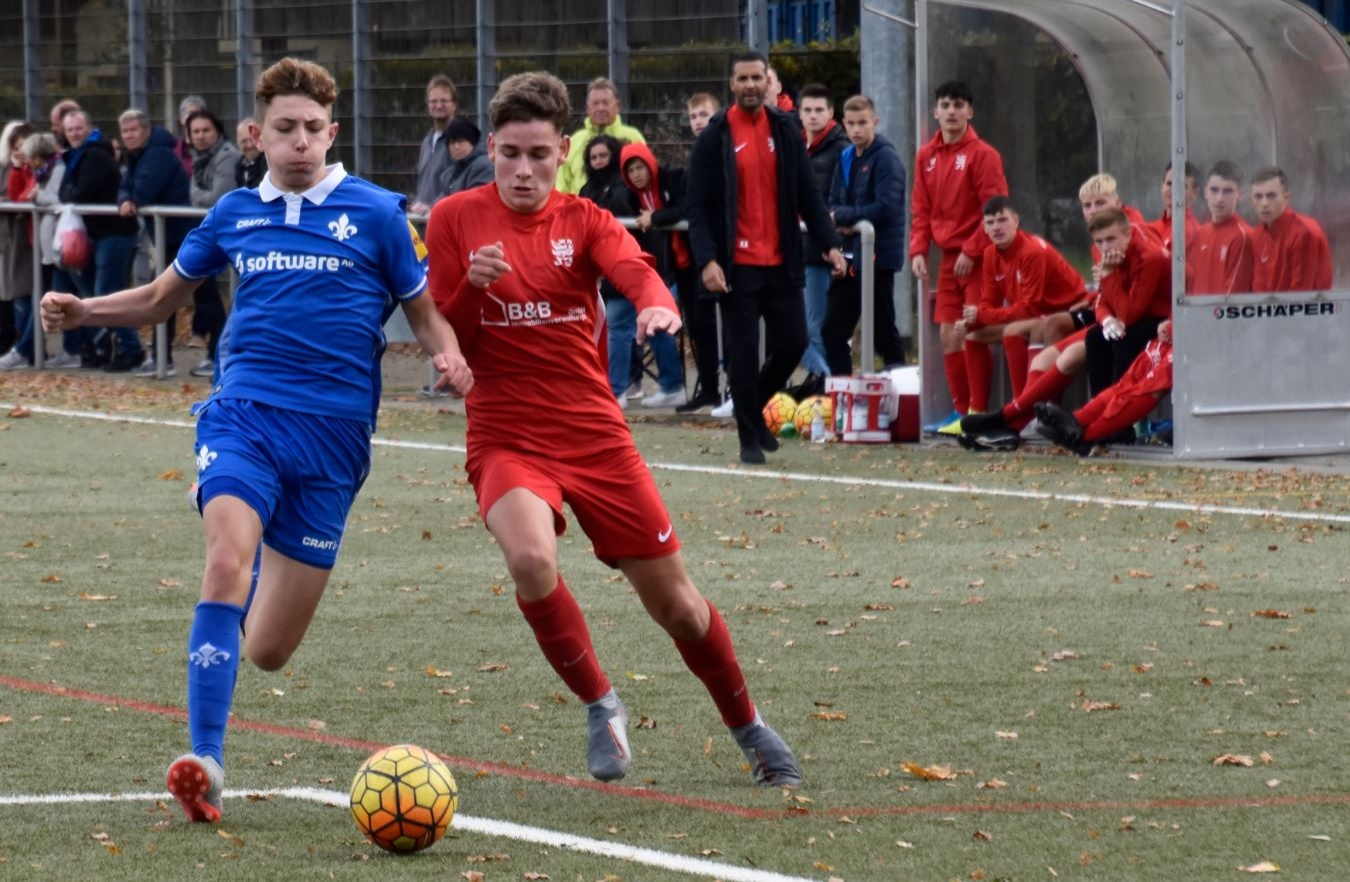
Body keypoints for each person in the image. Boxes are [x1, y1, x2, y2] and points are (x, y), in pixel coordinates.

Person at [40, 57, 473, 824]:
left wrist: (449, 354)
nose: (300, 141)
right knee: (224, 560)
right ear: (258, 134)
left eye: (312, 128)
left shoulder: (378, 213)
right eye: (285, 128)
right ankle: (206, 760)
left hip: (335, 438)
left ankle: (244, 563)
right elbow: (159, 298)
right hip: (245, 411)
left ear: (333, 132)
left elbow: (423, 308)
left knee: (268, 648)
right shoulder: (234, 212)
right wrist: (85, 310)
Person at [424, 69, 801, 787]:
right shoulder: (454, 219)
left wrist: (658, 304)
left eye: (539, 154)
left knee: (680, 608)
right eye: (510, 154)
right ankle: (601, 703)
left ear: (562, 150)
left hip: (595, 436)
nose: (524, 169)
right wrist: (471, 289)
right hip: (506, 434)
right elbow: (446, 329)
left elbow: (635, 270)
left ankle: (748, 726)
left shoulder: (586, 220)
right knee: (530, 560)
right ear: (492, 150)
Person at [685, 50, 845, 465]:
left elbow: (808, 193)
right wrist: (707, 260)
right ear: (732, 85)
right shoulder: (715, 136)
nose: (751, 85)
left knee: (794, 342)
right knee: (742, 352)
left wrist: (830, 243)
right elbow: (697, 207)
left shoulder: (785, 129)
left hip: (781, 261)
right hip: (736, 267)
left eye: (757, 78)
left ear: (768, 83)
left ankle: (751, 410)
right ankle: (748, 439)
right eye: (743, 79)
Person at [959, 207, 1169, 450]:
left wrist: (1107, 284)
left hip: (1151, 320)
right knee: (1072, 343)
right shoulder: (1108, 247)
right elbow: (1104, 300)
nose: (1104, 246)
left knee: (1086, 343)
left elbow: (1127, 312)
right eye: (1087, 205)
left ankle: (1019, 420)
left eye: (1100, 202)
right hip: (1117, 314)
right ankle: (1012, 419)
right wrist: (1106, 317)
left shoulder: (1147, 253)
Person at [909, 81, 1008, 432]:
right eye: (945, 105)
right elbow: (921, 208)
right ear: (935, 111)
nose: (951, 111)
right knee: (948, 334)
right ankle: (959, 412)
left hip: (980, 257)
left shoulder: (983, 154)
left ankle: (978, 411)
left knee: (972, 329)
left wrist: (972, 248)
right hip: (949, 259)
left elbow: (995, 208)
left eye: (959, 105)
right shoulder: (926, 155)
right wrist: (918, 249)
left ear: (970, 111)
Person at [960, 196, 1087, 400]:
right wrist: (972, 322)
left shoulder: (1032, 252)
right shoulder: (990, 255)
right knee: (973, 336)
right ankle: (975, 411)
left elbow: (1028, 310)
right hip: (1036, 317)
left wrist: (981, 315)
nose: (996, 227)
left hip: (1069, 314)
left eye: (1002, 220)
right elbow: (989, 303)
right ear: (984, 228)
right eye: (990, 223)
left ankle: (1021, 406)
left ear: (1016, 221)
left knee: (1013, 331)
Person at [820, 94, 908, 377]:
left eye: (862, 123)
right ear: (843, 124)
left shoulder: (886, 158)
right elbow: (833, 203)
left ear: (875, 122)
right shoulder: (846, 157)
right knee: (832, 330)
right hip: (849, 256)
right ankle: (842, 388)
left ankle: (900, 383)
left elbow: (885, 207)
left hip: (877, 257)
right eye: (851, 124)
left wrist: (844, 219)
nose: (856, 129)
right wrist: (841, 221)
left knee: (882, 329)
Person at [57, 108, 143, 371]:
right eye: (69, 129)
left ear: (88, 128)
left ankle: (131, 348)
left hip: (115, 233)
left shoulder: (94, 155)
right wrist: (70, 192)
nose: (74, 134)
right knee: (92, 289)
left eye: (78, 128)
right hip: (98, 233)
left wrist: (70, 192)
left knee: (107, 293)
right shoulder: (76, 156)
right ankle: (107, 343)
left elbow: (80, 193)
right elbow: (66, 192)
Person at [620, 141, 698, 408]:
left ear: (650, 165)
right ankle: (671, 385)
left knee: (696, 327)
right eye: (631, 171)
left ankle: (703, 388)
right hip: (660, 270)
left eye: (640, 167)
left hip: (690, 264)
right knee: (653, 322)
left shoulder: (674, 178)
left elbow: (687, 208)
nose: (636, 175)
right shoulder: (630, 197)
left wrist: (656, 218)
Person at [117, 108, 193, 377]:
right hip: (166, 239)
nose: (128, 136)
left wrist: (131, 197)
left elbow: (143, 192)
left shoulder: (158, 154)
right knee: (162, 297)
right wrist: (125, 198)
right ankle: (162, 357)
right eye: (124, 131)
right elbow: (125, 186)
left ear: (146, 130)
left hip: (182, 236)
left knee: (192, 298)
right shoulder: (138, 156)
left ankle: (211, 357)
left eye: (133, 130)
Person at [1035, 320, 1173, 455]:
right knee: (1127, 381)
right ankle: (1077, 421)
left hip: (1177, 328)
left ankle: (1085, 436)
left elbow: (1129, 312)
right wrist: (1107, 317)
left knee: (1155, 383)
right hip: (1171, 325)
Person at [793, 83, 848, 395]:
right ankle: (825, 383)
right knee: (800, 328)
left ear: (830, 113)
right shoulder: (795, 145)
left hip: (823, 251)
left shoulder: (841, 150)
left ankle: (828, 386)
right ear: (799, 114)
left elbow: (837, 199)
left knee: (813, 327)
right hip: (798, 249)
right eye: (807, 110)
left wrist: (832, 241)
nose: (813, 116)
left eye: (819, 110)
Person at [678, 92, 730, 415]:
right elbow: (691, 204)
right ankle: (710, 387)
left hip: (726, 246)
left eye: (704, 114)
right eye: (693, 116)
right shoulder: (696, 155)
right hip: (701, 249)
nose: (698, 121)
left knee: (731, 323)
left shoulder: (725, 149)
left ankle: (735, 388)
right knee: (701, 323)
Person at [0, 131, 69, 370]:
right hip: (45, 245)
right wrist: (18, 171)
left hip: (57, 245)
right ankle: (33, 350)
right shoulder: (38, 172)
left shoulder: (56, 169)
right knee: (48, 297)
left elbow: (53, 199)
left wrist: (37, 196)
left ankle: (24, 350)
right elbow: (19, 197)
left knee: (50, 298)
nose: (25, 160)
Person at [183, 109, 238, 379]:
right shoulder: (199, 158)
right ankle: (213, 352)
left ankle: (222, 355)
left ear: (217, 131)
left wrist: (197, 195)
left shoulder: (227, 156)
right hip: (209, 232)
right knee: (204, 292)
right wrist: (198, 195)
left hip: (232, 233)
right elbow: (195, 195)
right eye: (196, 132)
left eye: (206, 130)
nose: (201, 136)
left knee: (227, 296)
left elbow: (218, 198)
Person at [555, 77, 646, 195]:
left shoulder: (633, 138)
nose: (601, 108)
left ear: (618, 106)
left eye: (605, 103)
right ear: (587, 108)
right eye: (595, 103)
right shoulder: (574, 141)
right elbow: (562, 187)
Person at [1249, 166, 1333, 292]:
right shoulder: (1258, 234)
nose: (1264, 203)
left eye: (1271, 196)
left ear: (1286, 198)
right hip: (1275, 304)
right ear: (1251, 200)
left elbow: (1301, 294)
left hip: (1308, 304)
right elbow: (1259, 288)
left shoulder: (1304, 233)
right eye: (1258, 197)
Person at [1190, 160, 1254, 295]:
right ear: (1205, 193)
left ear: (1240, 194)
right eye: (1214, 190)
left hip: (1220, 309)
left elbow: (1235, 295)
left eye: (1227, 191)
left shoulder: (1243, 236)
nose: (1219, 198)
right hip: (1198, 308)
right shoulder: (1201, 233)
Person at [0, 121, 35, 359]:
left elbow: (19, 196)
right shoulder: (11, 167)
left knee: (25, 294)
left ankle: (25, 348)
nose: (19, 151)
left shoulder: (33, 168)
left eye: (23, 146)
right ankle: (22, 346)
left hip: (25, 238)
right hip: (11, 238)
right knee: (17, 296)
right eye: (16, 147)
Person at [410, 74, 457, 216]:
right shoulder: (427, 141)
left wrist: (432, 207)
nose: (438, 106)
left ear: (454, 104)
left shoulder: (459, 140)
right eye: (433, 101)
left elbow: (460, 183)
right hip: (423, 219)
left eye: (444, 101)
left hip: (446, 217)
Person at [1146, 161, 1201, 255]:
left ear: (1195, 192)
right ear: (1162, 186)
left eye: (1181, 186)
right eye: (1169, 184)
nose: (1173, 190)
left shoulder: (1191, 231)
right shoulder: (1151, 228)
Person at [434, 117, 493, 200]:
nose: (456, 147)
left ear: (472, 142)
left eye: (460, 141)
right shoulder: (449, 174)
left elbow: (476, 201)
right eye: (452, 142)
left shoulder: (483, 166)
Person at [174, 95, 207, 176]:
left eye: (198, 114)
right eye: (191, 114)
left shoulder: (213, 150)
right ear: (182, 119)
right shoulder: (173, 150)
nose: (194, 118)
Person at [234, 118, 267, 189]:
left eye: (252, 140)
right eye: (244, 141)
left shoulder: (268, 163)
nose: (250, 145)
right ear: (238, 142)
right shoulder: (239, 166)